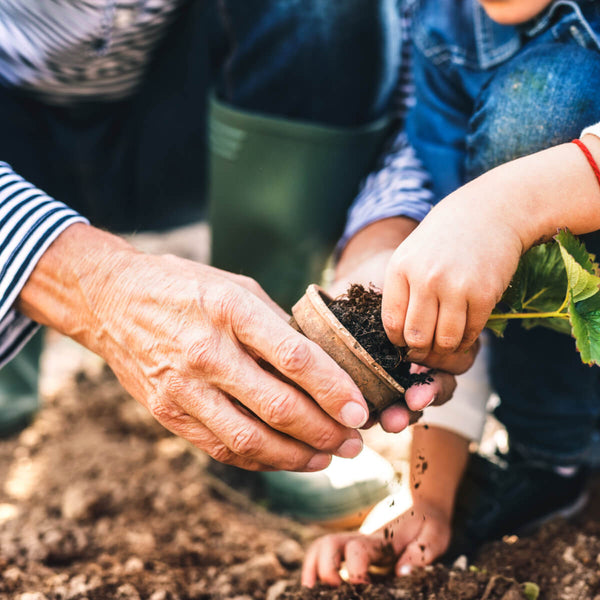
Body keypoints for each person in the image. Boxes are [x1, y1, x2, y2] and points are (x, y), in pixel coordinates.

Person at [0, 1, 466, 477]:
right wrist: (99, 285)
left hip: (193, 123)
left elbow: (425, 71)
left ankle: (265, 400)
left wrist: (383, 234)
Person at [301, 0, 600, 586]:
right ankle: (551, 456)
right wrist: (428, 496)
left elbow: (495, 213)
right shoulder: (444, 30)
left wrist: (508, 205)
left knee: (546, 103)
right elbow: (462, 280)